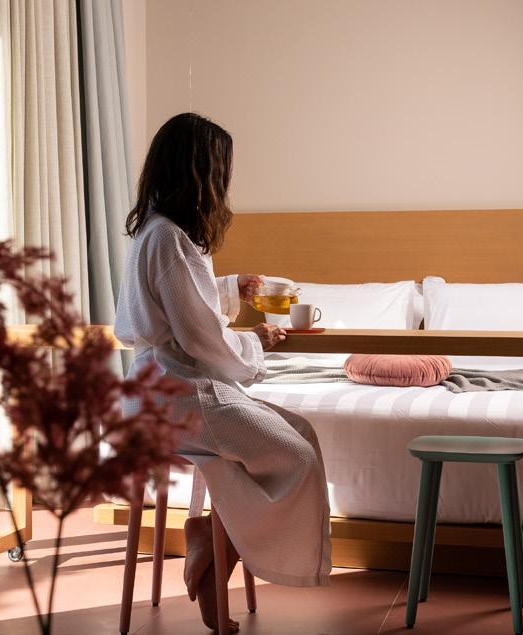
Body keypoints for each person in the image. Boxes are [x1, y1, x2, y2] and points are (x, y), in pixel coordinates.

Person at [115, 112, 331, 632]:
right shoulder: (170, 239)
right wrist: (257, 341)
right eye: (220, 170)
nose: (223, 183)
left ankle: (210, 537)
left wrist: (232, 286)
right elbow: (201, 337)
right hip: (179, 396)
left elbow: (172, 306)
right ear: (199, 171)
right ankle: (215, 555)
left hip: (148, 393)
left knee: (300, 432)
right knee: (297, 456)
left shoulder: (154, 233)